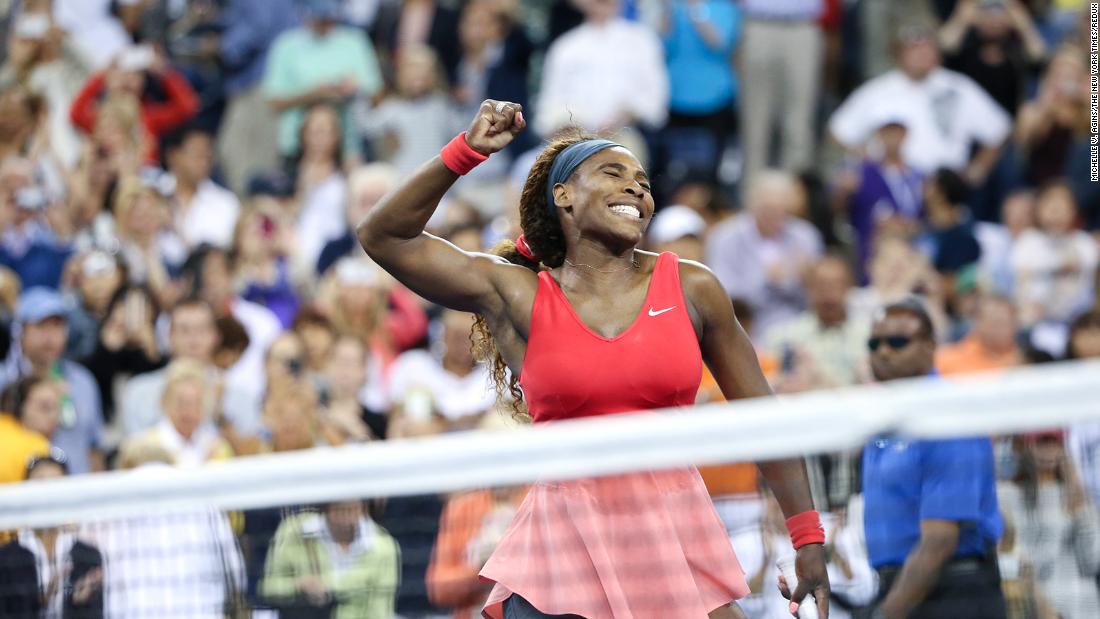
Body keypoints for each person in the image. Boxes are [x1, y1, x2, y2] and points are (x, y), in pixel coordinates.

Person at [356, 99, 829, 618]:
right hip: (558, 560)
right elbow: (384, 235)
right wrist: (465, 152)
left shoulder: (694, 287)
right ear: (564, 196)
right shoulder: (517, 292)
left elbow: (764, 419)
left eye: (644, 182)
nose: (637, 188)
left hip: (674, 538)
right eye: (613, 173)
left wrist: (807, 536)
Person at [862, 298, 1006, 618]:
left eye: (898, 342)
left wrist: (887, 613)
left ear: (930, 345)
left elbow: (940, 540)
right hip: (899, 588)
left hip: (953, 593)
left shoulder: (948, 417)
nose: (883, 351)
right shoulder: (882, 420)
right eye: (875, 343)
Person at [828, 23, 1011, 187]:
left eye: (928, 47)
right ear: (899, 53)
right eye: (915, 48)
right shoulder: (877, 90)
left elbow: (999, 129)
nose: (922, 54)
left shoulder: (957, 88)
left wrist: (976, 172)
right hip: (893, 188)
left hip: (944, 188)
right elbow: (838, 132)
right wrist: (865, 160)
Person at [705, 170, 824, 340]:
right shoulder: (725, 237)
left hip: (798, 330)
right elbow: (721, 294)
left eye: (782, 209)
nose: (775, 215)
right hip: (741, 330)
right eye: (768, 209)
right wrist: (768, 280)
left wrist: (805, 281)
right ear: (752, 204)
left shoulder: (806, 236)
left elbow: (816, 297)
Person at [0, 287, 104, 475]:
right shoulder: (3, 381)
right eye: (41, 326)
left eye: (57, 326)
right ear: (21, 331)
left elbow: (94, 449)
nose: (50, 336)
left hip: (79, 490)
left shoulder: (83, 382)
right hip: (18, 492)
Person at [997, 431, 1100, 619]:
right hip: (1030, 605)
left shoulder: (1076, 496)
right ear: (1024, 447)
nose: (1048, 451)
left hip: (1079, 607)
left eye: (1054, 443)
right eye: (1041, 443)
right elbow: (999, 559)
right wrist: (1022, 570)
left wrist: (1080, 510)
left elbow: (1093, 560)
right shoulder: (1006, 495)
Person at [260, 500, 400, 619]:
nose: (346, 501)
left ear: (363, 503)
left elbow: (380, 612)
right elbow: (268, 589)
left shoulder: (383, 546)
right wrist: (299, 585)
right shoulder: (292, 532)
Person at [738, 0, 822, 183]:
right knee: (755, 123)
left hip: (802, 24)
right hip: (759, 22)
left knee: (799, 124)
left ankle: (796, 202)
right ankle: (752, 201)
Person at [16, 452, 105, 618]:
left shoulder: (87, 555)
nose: (47, 492)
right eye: (40, 482)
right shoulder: (7, 557)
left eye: (55, 483)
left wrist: (77, 603)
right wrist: (42, 599)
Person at [935, 294, 1022, 375]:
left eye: (1004, 322)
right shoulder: (948, 359)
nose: (999, 329)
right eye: (994, 322)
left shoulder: (1027, 358)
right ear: (977, 323)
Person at [0, 375, 58, 484]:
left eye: (56, 407)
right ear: (19, 408)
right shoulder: (38, 446)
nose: (54, 416)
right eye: (45, 407)